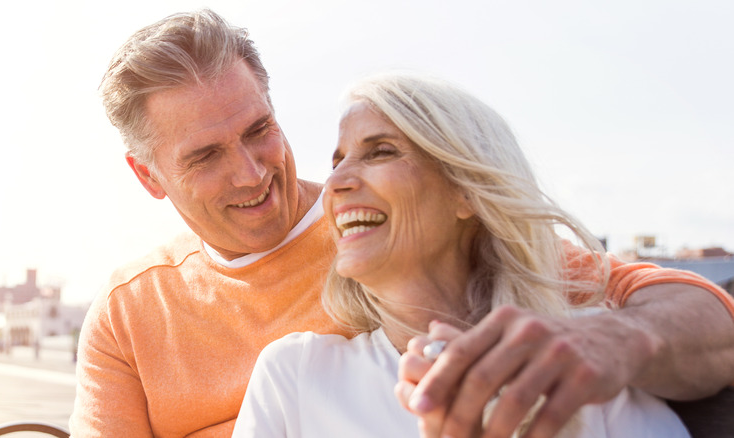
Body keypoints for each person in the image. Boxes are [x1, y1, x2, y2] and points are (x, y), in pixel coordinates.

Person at [69, 8, 734, 437]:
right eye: (208, 156)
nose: (250, 172)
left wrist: (618, 342)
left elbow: (686, 318)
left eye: (259, 130)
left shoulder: (396, 227)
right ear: (149, 176)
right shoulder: (132, 312)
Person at [231, 72, 697, 438]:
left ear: (467, 192)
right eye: (337, 162)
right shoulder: (293, 376)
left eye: (380, 152)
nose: (334, 183)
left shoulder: (578, 364)